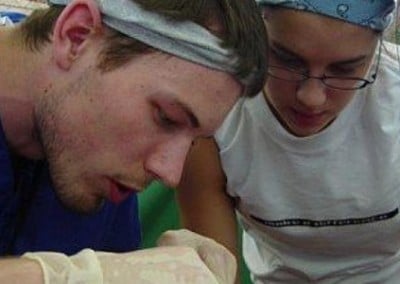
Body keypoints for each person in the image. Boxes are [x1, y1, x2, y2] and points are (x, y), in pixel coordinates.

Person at [0, 0, 268, 282]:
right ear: (76, 36)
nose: (170, 173)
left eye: (193, 142)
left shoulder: (95, 164)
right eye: (166, 118)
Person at [178, 0, 400, 283]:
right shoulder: (215, 108)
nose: (311, 97)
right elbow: (214, 271)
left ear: (376, 53)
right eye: (287, 60)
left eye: (344, 69)